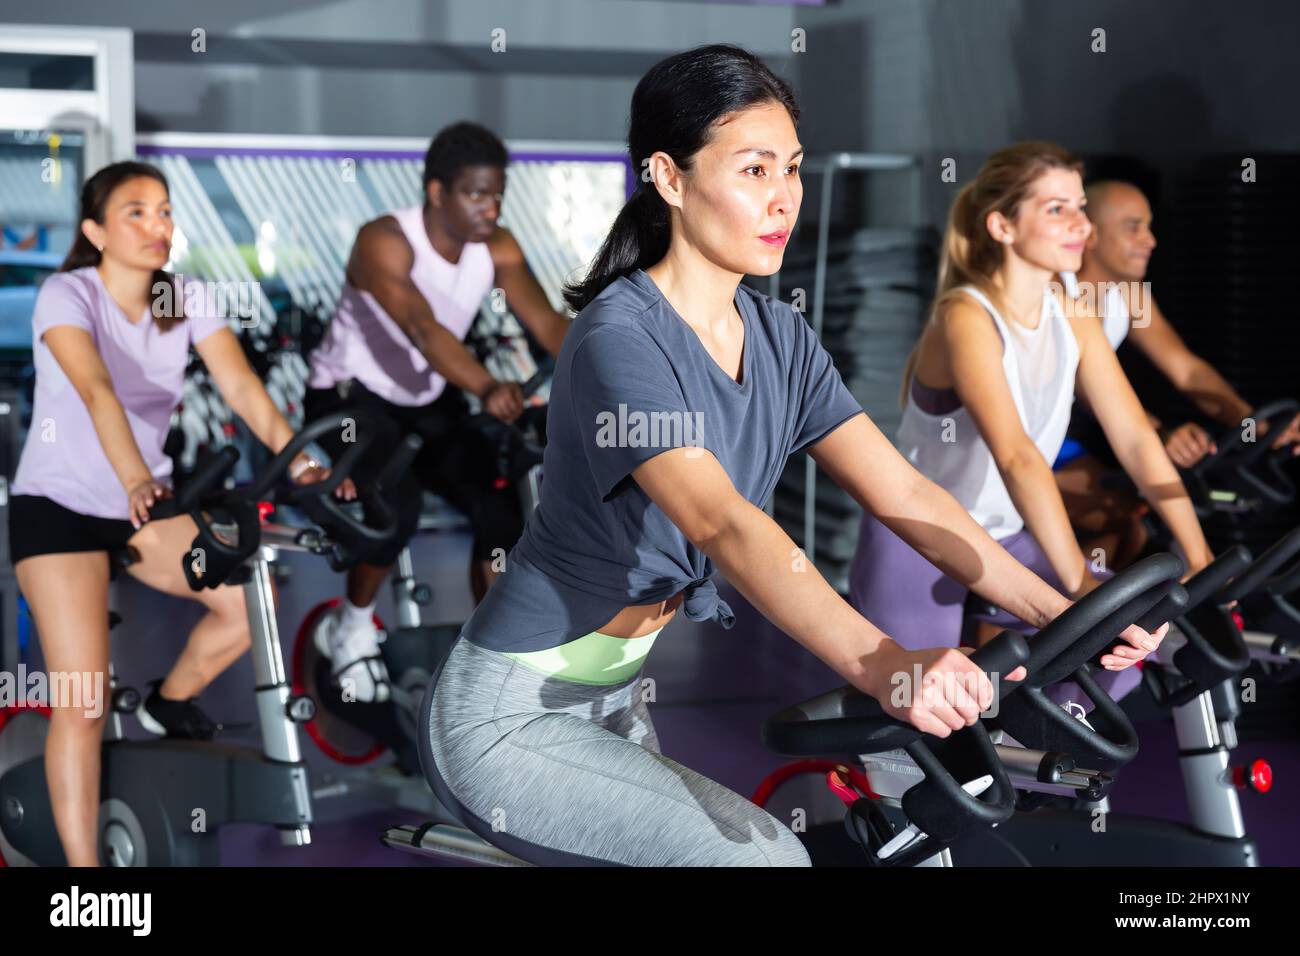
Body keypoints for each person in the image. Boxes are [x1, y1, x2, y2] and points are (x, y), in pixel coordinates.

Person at [419, 47, 1164, 867]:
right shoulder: (616, 340)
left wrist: (1054, 608)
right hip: (509, 716)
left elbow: (908, 493)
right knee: (766, 859)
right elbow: (723, 523)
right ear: (669, 178)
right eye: (754, 170)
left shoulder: (780, 337)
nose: (783, 200)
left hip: (615, 699)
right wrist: (885, 663)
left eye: (793, 170)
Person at [8, 161, 336, 866]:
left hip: (145, 503)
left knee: (253, 604)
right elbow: (97, 391)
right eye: (137, 212)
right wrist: (132, 478)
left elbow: (245, 391)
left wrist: (301, 459)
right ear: (95, 230)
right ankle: (87, 877)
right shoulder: (67, 294)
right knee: (84, 700)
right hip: (60, 508)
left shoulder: (184, 297)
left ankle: (164, 705)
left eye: (164, 211)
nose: (159, 225)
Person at [849, 143, 1209, 708]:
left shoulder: (1073, 313)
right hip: (920, 539)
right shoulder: (965, 315)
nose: (1081, 226)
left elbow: (1137, 440)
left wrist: (1198, 554)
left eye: (1081, 208)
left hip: (1004, 538)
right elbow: (1016, 455)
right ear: (1003, 225)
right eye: (1057, 210)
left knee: (1127, 637)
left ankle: (1042, 751)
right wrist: (1076, 585)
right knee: (923, 722)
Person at [304, 122, 571, 703]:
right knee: (390, 508)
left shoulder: (497, 245)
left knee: (498, 505)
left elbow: (549, 325)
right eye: (476, 195)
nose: (490, 208)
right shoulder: (384, 240)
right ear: (437, 192)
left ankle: (494, 657)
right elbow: (423, 329)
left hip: (429, 395)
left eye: (497, 195)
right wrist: (483, 385)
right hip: (351, 395)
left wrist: (612, 358)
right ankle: (348, 628)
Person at [1054, 179, 1300, 567]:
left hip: (1054, 439)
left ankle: (1048, 615)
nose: (1150, 240)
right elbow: (1088, 387)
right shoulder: (1057, 291)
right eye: (1134, 227)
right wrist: (1160, 432)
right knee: (1124, 518)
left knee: (1131, 522)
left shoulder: (1129, 294)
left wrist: (1254, 424)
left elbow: (1187, 370)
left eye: (1150, 227)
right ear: (1091, 235)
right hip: (1008, 440)